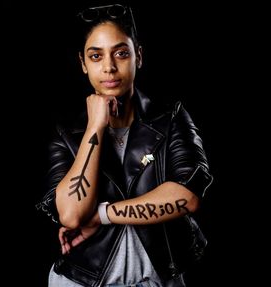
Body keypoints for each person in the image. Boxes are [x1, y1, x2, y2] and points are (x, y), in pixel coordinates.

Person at [36, 1, 213, 286]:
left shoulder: (169, 118)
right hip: (82, 281)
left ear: (138, 56)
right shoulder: (66, 132)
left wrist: (103, 214)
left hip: (157, 280)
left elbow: (186, 197)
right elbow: (71, 214)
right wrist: (95, 126)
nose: (109, 67)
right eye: (96, 56)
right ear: (83, 63)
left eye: (120, 53)